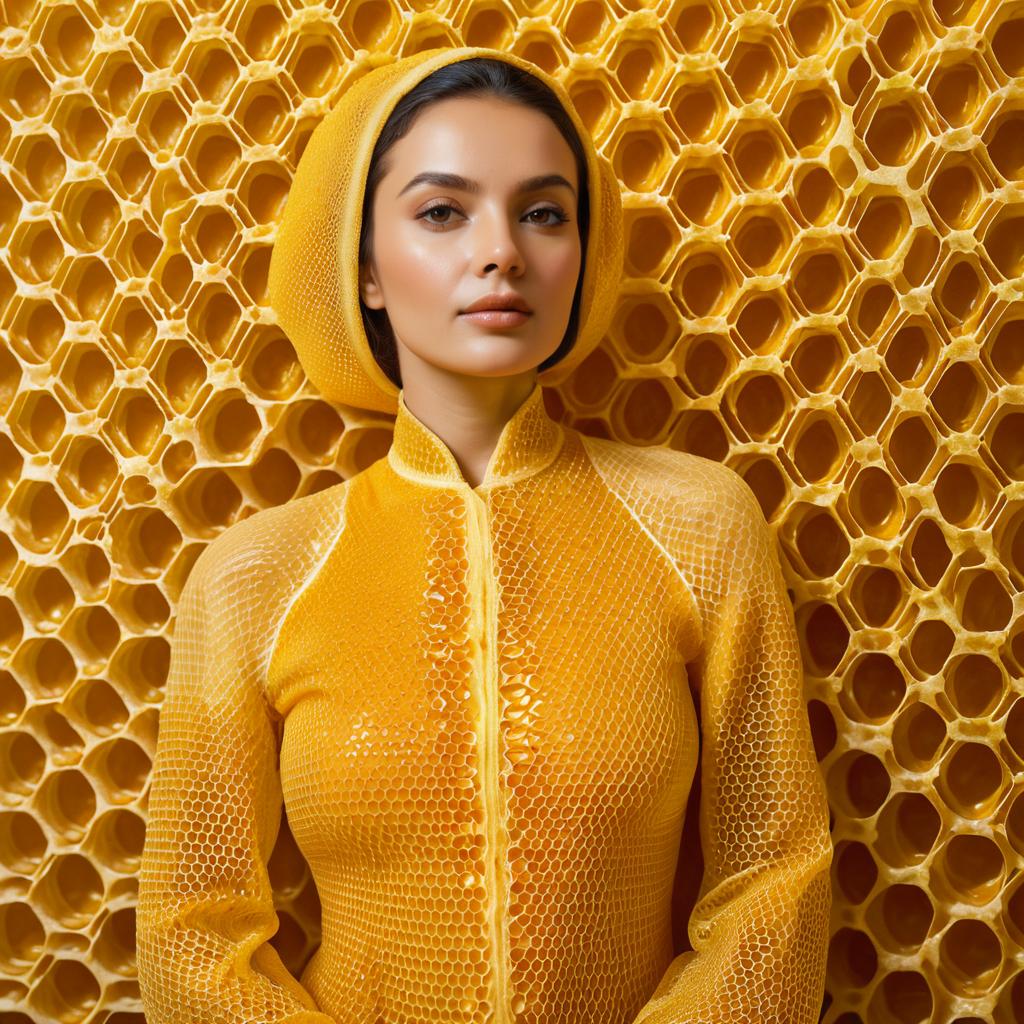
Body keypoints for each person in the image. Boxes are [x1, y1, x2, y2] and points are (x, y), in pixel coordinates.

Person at [136, 46, 833, 1024]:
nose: (501, 249)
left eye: (544, 211)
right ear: (366, 270)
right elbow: (189, 930)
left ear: (580, 252)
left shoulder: (698, 521)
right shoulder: (258, 574)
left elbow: (774, 878)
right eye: (441, 211)